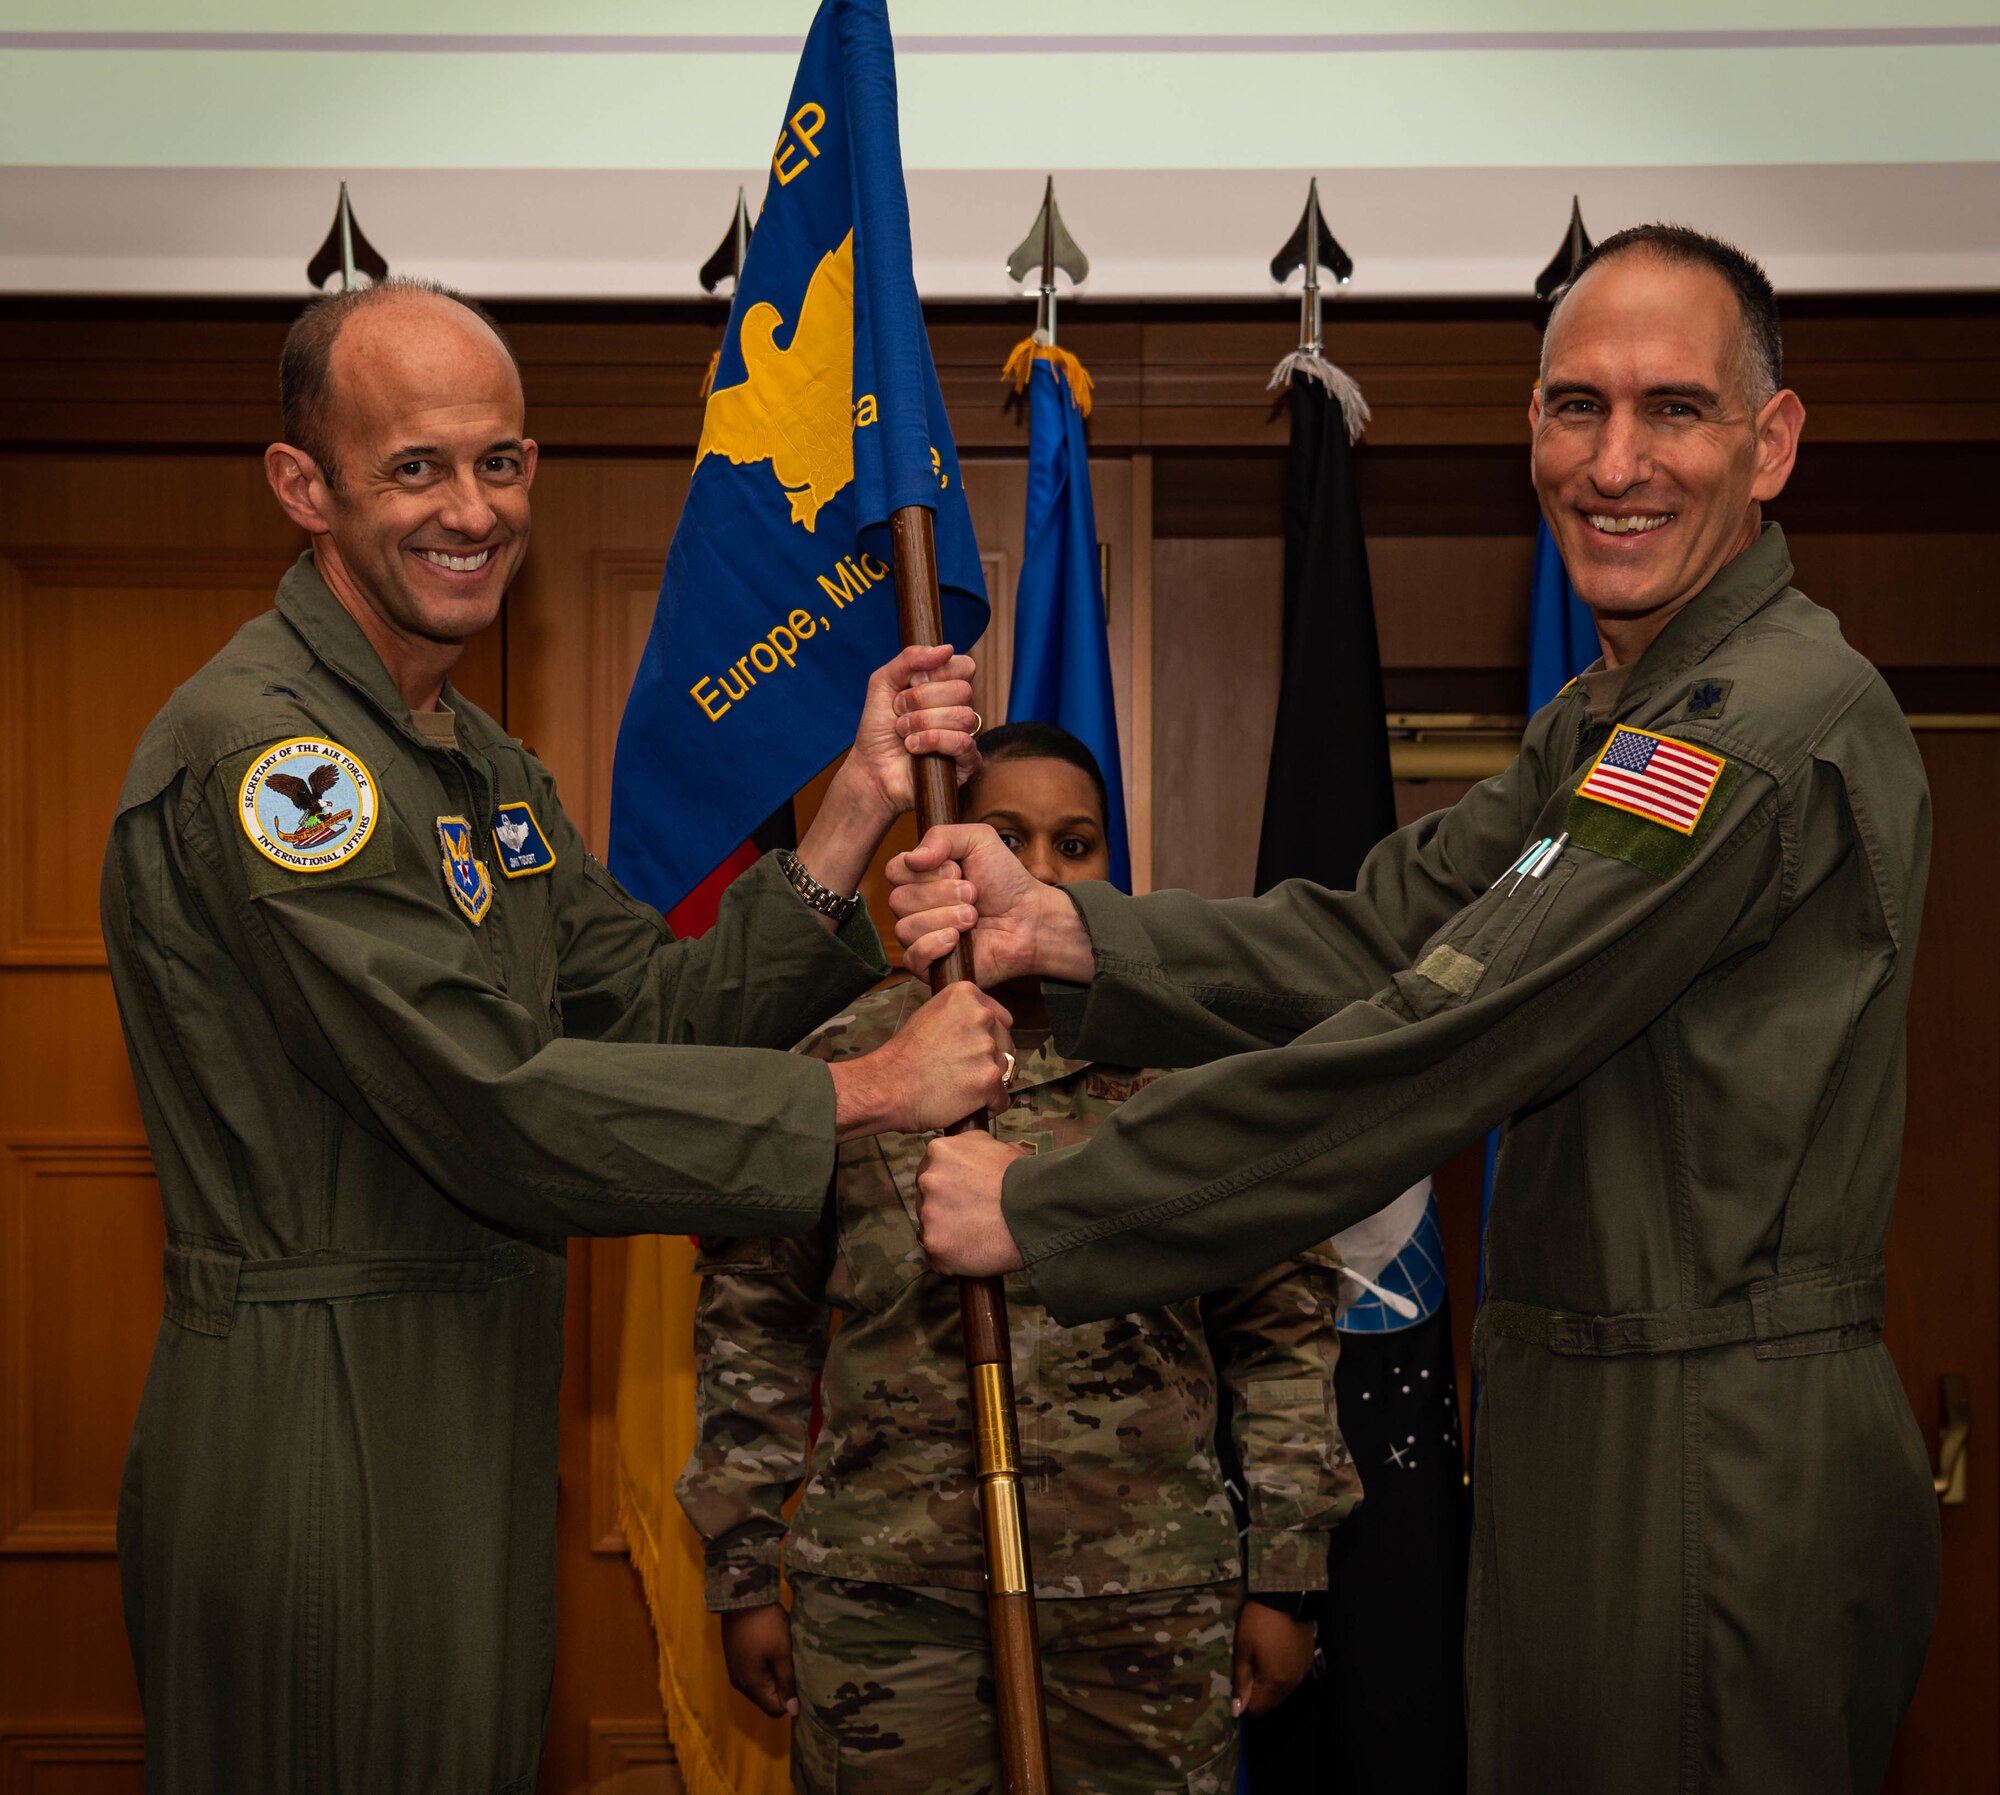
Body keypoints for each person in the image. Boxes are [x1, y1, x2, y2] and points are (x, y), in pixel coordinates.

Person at [890, 227, 1939, 1795]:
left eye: (1675, 410)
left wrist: (1055, 1201)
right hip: (1585, 1413)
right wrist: (1069, 932)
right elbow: (1381, 926)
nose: (1616, 460)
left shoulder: (1753, 725)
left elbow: (1449, 1030)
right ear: (1530, 429)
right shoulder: (1608, 713)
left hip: (1714, 1446)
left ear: (1770, 444)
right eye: (1577, 406)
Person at [99, 276, 1012, 1793]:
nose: (473, 507)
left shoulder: (477, 763)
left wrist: (852, 805)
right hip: (320, 1411)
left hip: (467, 1402)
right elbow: (495, 1106)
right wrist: (866, 1092)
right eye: (418, 467)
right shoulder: (277, 759)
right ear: (303, 486)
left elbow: (659, 1013)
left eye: (503, 460)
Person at [678, 723, 1362, 1795]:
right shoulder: (847, 1060)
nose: (1040, 869)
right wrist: (741, 1566)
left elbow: (1280, 1328)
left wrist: (1286, 1574)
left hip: (1140, 1593)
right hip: (891, 1599)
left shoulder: (1200, 1069)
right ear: (948, 847)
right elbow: (755, 1317)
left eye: (1075, 843)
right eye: (1006, 833)